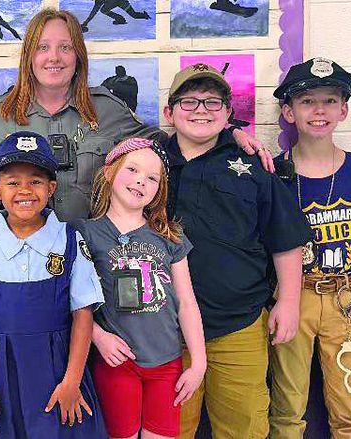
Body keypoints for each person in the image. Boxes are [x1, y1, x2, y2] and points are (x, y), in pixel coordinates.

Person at [0, 8, 270, 247]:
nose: (55, 57)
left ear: (78, 56)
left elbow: (169, 144)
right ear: (29, 56)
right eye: (44, 47)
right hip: (22, 266)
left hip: (99, 262)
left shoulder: (109, 112)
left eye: (65, 47)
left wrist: (226, 134)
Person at [156, 64, 311, 439]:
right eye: (189, 101)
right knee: (170, 429)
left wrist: (288, 302)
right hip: (163, 328)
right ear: (169, 112)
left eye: (213, 102)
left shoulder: (256, 167)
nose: (201, 110)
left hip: (238, 324)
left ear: (228, 113)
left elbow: (284, 238)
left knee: (244, 428)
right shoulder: (147, 163)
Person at [268, 58, 351, 439]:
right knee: (288, 407)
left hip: (346, 296)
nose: (318, 110)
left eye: (329, 100)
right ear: (289, 112)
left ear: (344, 109)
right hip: (294, 296)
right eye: (307, 101)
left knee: (350, 407)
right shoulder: (274, 175)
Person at [0, 131, 106, 438]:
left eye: (35, 181)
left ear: (51, 188)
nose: (25, 190)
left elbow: (83, 315)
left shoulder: (69, 240)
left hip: (58, 372)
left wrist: (72, 381)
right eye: (13, 182)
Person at [76, 137, 207, 439]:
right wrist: (98, 336)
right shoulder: (85, 233)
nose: (140, 181)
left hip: (166, 363)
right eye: (132, 170)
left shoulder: (169, 236)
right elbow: (72, 301)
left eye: (152, 178)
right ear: (109, 172)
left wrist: (198, 362)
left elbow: (187, 302)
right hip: (118, 362)